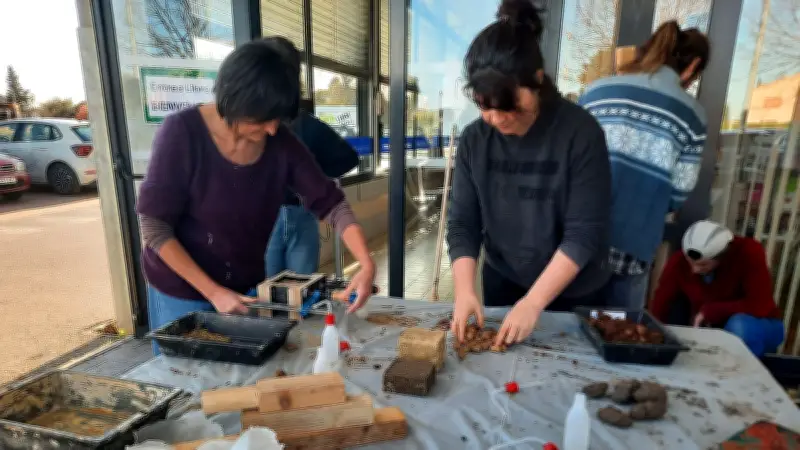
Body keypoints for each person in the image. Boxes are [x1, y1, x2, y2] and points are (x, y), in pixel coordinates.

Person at [137, 38, 376, 351]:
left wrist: (366, 263)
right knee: (186, 380)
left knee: (244, 377)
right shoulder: (181, 133)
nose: (273, 129)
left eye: (278, 119)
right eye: (264, 119)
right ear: (236, 102)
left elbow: (331, 204)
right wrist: (213, 292)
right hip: (181, 289)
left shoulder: (282, 144)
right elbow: (154, 227)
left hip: (243, 286)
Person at [447, 0, 612, 347]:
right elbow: (463, 222)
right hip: (504, 279)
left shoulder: (580, 133)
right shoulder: (475, 140)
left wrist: (535, 302)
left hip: (572, 291)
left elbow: (584, 233)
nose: (496, 118)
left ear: (537, 81)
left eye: (509, 106)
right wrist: (464, 290)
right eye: (484, 106)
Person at [578, 21, 710, 309]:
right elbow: (679, 192)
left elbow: (567, 160)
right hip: (635, 240)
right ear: (693, 66)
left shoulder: (595, 92)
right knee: (619, 334)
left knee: (563, 331)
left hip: (578, 240)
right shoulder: (692, 114)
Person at [263, 36, 359, 277]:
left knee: (297, 292)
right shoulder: (297, 125)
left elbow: (333, 198)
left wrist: (313, 177)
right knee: (266, 294)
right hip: (269, 217)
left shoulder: (300, 127)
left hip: (296, 213)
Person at [651, 220, 784, 357]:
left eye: (703, 265)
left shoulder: (748, 252)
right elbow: (662, 301)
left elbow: (759, 305)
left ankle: (739, 374)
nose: (695, 270)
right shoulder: (679, 261)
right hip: (711, 328)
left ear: (721, 257)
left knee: (739, 325)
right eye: (690, 263)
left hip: (758, 324)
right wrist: (652, 333)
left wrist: (711, 310)